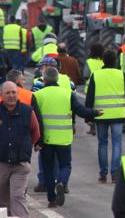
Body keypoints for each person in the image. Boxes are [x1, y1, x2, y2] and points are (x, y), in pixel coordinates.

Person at [33, 67, 101, 207]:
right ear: (57, 79)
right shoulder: (67, 93)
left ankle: (51, 199)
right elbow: (81, 111)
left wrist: (34, 139)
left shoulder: (38, 95)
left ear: (44, 79)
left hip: (46, 139)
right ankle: (62, 182)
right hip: (63, 137)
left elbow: (33, 118)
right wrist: (94, 113)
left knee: (48, 168)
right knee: (65, 165)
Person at [0, 81, 41, 218]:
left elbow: (36, 133)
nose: (11, 95)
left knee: (18, 195)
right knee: (1, 200)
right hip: (0, 162)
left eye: (14, 92)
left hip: (20, 163)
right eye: (7, 93)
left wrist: (24, 147)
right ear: (1, 95)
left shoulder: (27, 111)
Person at [86, 50, 125, 183]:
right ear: (115, 61)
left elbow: (90, 96)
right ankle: (115, 174)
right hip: (117, 114)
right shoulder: (121, 75)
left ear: (103, 60)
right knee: (117, 143)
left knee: (102, 144)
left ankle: (103, 174)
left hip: (100, 114)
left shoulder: (96, 75)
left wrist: (88, 115)